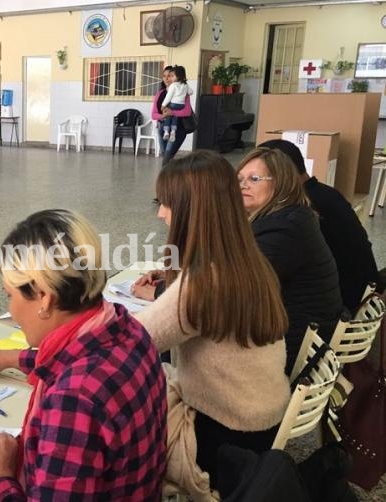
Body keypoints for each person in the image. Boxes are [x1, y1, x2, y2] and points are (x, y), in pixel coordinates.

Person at [0, 209, 166, 501]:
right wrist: (6, 358)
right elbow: (69, 358)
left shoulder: (73, 400)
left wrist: (0, 475)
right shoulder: (125, 327)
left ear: (44, 298)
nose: (10, 309)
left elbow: (74, 382)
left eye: (9, 295)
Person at [132, 150, 289, 487]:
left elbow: (131, 341)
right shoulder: (249, 260)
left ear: (192, 210)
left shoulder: (203, 282)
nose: (160, 213)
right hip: (260, 424)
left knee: (111, 426)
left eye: (166, 203)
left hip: (222, 441)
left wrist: (16, 355)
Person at [237, 147, 343, 374]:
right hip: (308, 336)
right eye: (240, 179)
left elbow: (233, 286)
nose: (243, 185)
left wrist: (163, 291)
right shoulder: (290, 216)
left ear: (281, 183)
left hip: (293, 351)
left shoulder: (284, 229)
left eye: (254, 179)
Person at [258, 139, 384, 311]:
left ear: (284, 173)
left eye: (257, 178)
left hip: (343, 306)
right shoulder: (326, 193)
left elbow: (264, 269)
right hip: (365, 294)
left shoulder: (301, 209)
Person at [151, 65, 193, 167]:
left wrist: (172, 113)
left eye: (169, 76)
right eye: (164, 76)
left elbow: (187, 112)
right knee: (167, 158)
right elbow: (154, 114)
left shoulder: (183, 92)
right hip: (162, 129)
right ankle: (171, 180)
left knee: (166, 159)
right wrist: (163, 116)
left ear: (176, 77)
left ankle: (164, 180)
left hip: (177, 130)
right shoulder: (160, 94)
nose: (166, 78)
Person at [160, 66, 193, 143]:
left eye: (172, 76)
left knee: (168, 115)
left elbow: (168, 97)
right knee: (175, 117)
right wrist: (184, 93)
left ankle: (166, 132)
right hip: (181, 105)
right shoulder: (185, 85)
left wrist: (163, 105)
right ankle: (173, 132)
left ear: (178, 76)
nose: (170, 78)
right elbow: (191, 92)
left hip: (173, 104)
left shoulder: (173, 85)